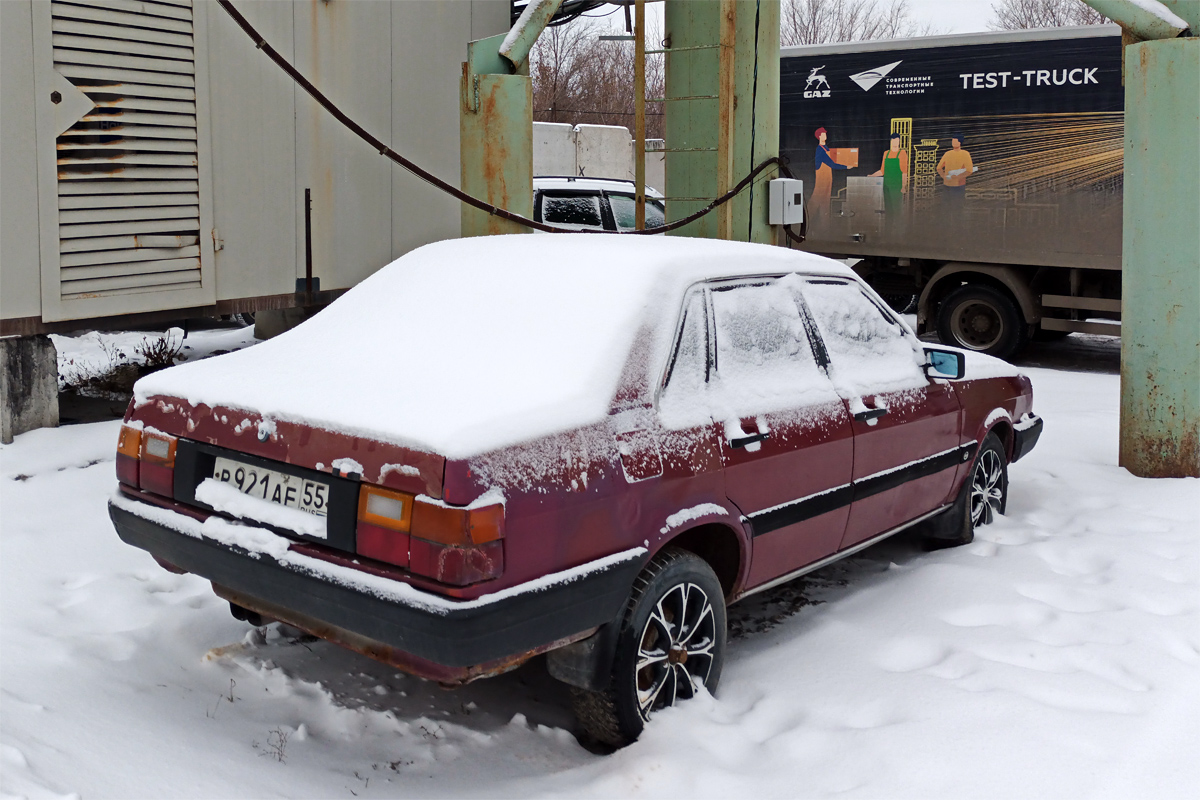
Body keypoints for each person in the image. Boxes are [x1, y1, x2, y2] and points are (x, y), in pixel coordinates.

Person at [811, 127, 849, 225]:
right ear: (819, 136)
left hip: (828, 180)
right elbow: (831, 164)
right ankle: (803, 222)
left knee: (825, 204)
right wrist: (846, 166)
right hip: (822, 181)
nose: (825, 135)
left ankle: (825, 227)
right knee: (815, 202)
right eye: (823, 134)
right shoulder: (820, 150)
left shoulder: (826, 148)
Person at [869, 133, 909, 219]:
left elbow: (904, 172)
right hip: (886, 186)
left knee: (897, 210)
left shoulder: (902, 153)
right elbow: (882, 171)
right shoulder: (886, 153)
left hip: (896, 187)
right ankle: (888, 230)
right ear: (891, 141)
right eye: (893, 140)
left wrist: (903, 186)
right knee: (888, 211)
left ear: (899, 141)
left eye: (897, 140)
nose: (895, 142)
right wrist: (872, 176)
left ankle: (899, 231)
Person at [936, 133, 974, 204]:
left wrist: (958, 177)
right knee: (945, 207)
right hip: (946, 185)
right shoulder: (948, 153)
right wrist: (943, 176)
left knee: (957, 207)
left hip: (958, 186)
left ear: (960, 142)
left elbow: (969, 170)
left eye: (955, 141)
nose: (953, 143)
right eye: (952, 141)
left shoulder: (965, 154)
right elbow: (939, 168)